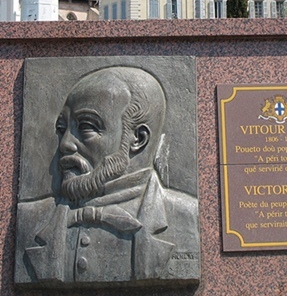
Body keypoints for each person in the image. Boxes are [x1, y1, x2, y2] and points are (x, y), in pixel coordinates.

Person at [15, 67, 199, 286]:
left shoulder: (185, 217)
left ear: (137, 138)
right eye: (62, 129)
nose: (65, 144)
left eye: (86, 127)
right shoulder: (30, 219)